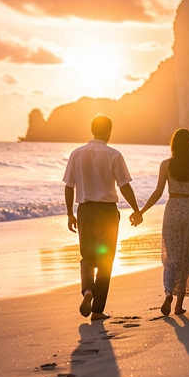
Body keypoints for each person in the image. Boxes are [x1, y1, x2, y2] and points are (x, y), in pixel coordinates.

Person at [63, 115, 143, 320]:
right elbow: (124, 186)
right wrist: (136, 210)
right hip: (106, 213)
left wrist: (70, 214)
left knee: (87, 256)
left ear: (92, 130)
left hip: (84, 211)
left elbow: (69, 186)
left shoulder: (76, 154)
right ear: (109, 131)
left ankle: (88, 289)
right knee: (106, 260)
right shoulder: (114, 155)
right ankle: (97, 310)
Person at [140, 128, 189, 316]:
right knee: (187, 258)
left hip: (172, 211)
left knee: (172, 257)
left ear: (174, 145)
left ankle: (169, 292)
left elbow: (158, 192)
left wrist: (141, 212)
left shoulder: (166, 165)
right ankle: (179, 305)